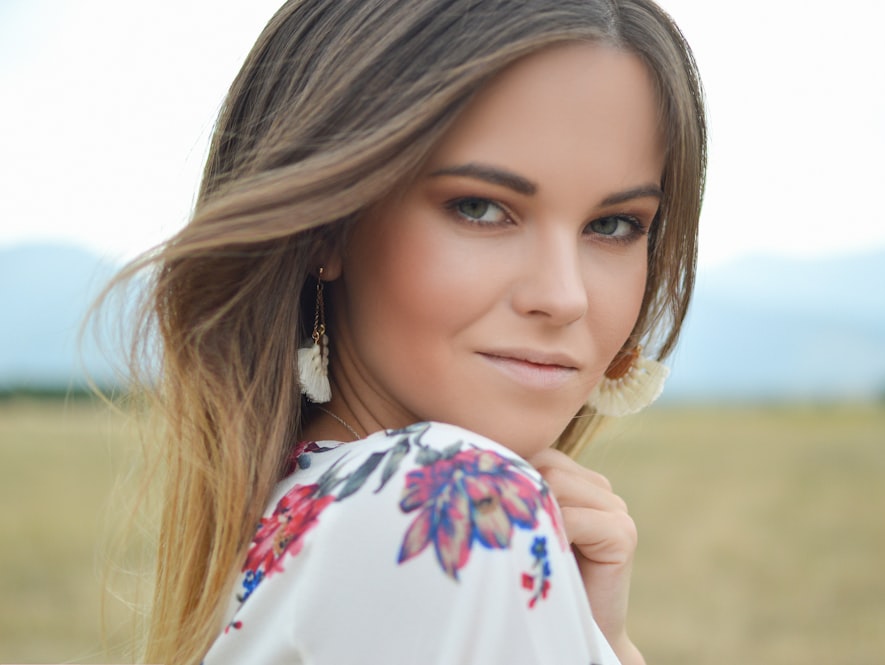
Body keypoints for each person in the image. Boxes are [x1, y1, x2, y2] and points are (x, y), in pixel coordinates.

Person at [113, 1, 705, 663]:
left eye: (614, 224)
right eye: (479, 209)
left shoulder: (290, 523)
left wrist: (590, 635)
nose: (563, 296)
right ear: (326, 224)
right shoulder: (463, 501)